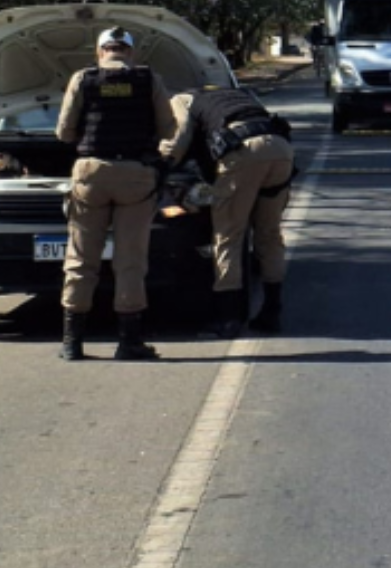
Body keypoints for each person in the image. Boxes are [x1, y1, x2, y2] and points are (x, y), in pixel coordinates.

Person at [55, 27, 177, 361]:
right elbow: (170, 128)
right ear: (130, 53)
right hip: (135, 176)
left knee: (80, 259)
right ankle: (129, 342)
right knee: (130, 260)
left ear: (100, 52)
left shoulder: (84, 78)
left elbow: (64, 132)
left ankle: (72, 343)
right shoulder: (148, 79)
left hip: (91, 174)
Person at [163, 86, 296, 337]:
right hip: (281, 149)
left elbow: (178, 137)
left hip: (242, 152)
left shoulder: (181, 97)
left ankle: (228, 319)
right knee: (269, 234)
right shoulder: (241, 93)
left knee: (228, 236)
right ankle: (272, 311)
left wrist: (162, 165)